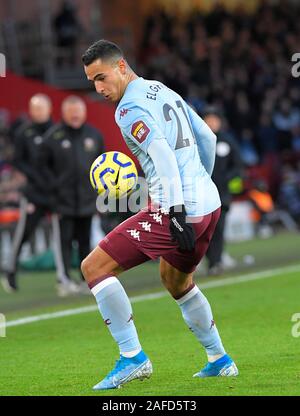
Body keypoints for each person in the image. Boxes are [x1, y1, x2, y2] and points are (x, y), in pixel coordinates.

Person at [81, 39, 238, 390]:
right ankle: (220, 359)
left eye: (102, 77)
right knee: (176, 280)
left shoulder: (128, 110)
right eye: (93, 81)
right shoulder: (160, 89)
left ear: (122, 66)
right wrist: (200, 191)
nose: (99, 88)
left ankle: (133, 357)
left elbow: (163, 154)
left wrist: (179, 208)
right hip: (208, 204)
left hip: (177, 208)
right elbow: (208, 138)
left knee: (94, 267)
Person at [40, 95, 105, 297]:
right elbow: (43, 170)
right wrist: (53, 195)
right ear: (64, 113)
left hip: (87, 200)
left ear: (84, 112)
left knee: (86, 243)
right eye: (71, 111)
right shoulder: (53, 137)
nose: (75, 114)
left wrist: (100, 196)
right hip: (62, 202)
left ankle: (86, 279)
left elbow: (102, 166)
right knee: (64, 243)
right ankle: (64, 280)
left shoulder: (94, 135)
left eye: (79, 110)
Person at [1, 94, 54, 292]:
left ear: (49, 109)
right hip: (33, 193)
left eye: (42, 108)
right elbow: (17, 160)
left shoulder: (56, 131)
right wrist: (34, 176)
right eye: (35, 108)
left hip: (55, 192)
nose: (38, 112)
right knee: (23, 233)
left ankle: (65, 277)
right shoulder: (24, 133)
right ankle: (10, 271)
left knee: (63, 234)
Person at [202, 106, 243, 275]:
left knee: (219, 229)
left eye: (214, 119)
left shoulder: (228, 141)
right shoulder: (198, 141)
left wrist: (228, 179)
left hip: (222, 195)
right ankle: (207, 260)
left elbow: (238, 166)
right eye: (208, 119)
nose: (211, 122)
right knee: (204, 230)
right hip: (202, 195)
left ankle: (216, 262)